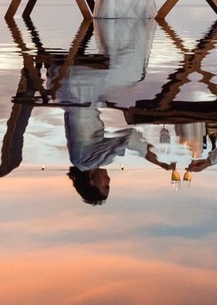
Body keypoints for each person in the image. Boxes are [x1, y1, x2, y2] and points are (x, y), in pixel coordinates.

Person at [59, 19, 175, 204]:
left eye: (105, 186)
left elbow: (126, 138)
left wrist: (152, 157)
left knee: (135, 73)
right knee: (128, 85)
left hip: (81, 86)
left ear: (91, 182)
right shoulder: (79, 160)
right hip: (70, 90)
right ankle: (123, 30)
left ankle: (131, 28)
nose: (109, 180)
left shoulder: (88, 162)